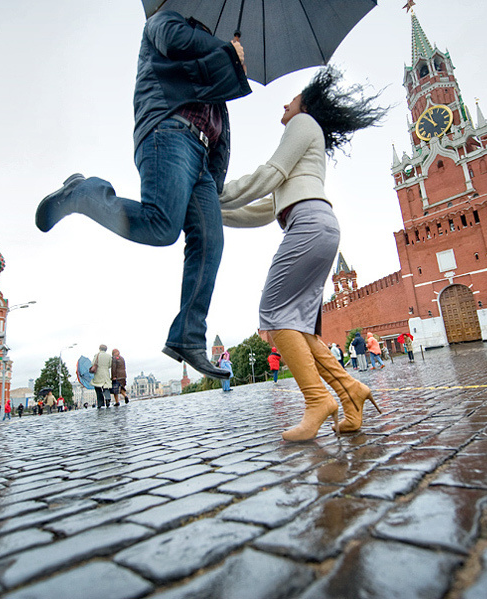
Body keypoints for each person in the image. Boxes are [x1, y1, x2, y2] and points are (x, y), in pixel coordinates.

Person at [35, 9, 251, 381]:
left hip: (202, 160)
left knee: (211, 241)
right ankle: (83, 193)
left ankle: (187, 336)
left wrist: (213, 181)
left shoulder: (212, 65)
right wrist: (227, 51)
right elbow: (175, 40)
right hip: (168, 133)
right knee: (162, 225)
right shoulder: (165, 21)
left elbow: (223, 132)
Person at [219, 67, 385, 441]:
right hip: (315, 223)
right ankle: (350, 392)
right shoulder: (304, 149)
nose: (285, 104)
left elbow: (268, 173)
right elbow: (263, 209)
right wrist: (212, 212)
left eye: (291, 100)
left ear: (305, 106)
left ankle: (318, 400)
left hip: (309, 224)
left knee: (273, 314)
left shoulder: (303, 123)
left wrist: (215, 191)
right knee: (297, 324)